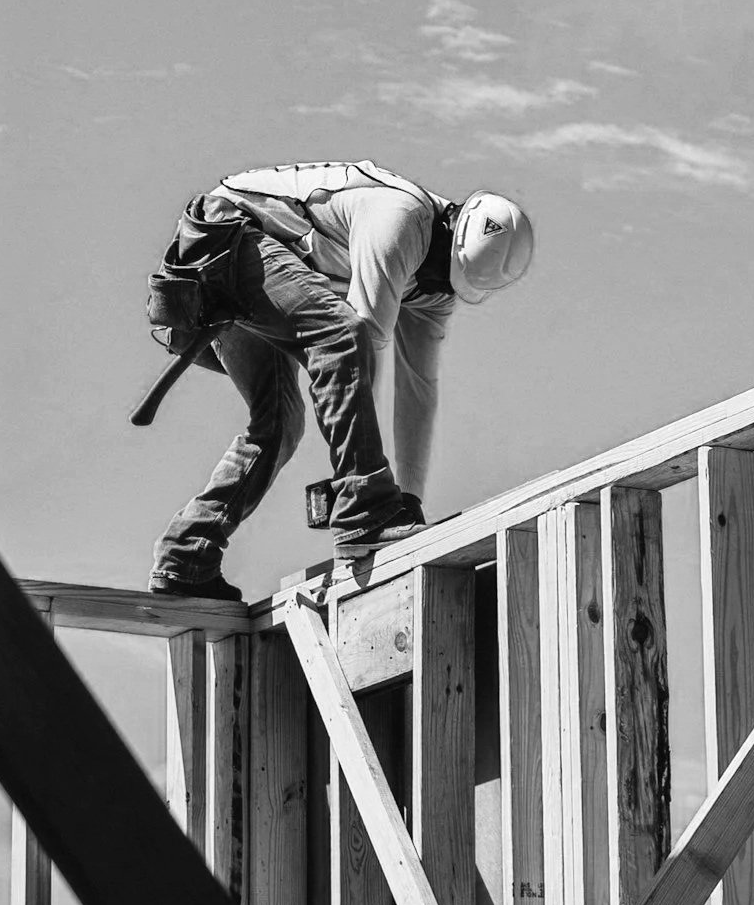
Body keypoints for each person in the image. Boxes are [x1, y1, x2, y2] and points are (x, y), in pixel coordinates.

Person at [146, 160, 534, 600]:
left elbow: (418, 391)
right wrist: (372, 495)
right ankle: (364, 508)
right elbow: (358, 341)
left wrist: (409, 499)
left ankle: (186, 556)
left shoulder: (434, 288)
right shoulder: (401, 218)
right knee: (342, 334)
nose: (432, 288)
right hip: (224, 240)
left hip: (254, 265)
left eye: (448, 285)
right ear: (450, 228)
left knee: (279, 424)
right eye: (439, 276)